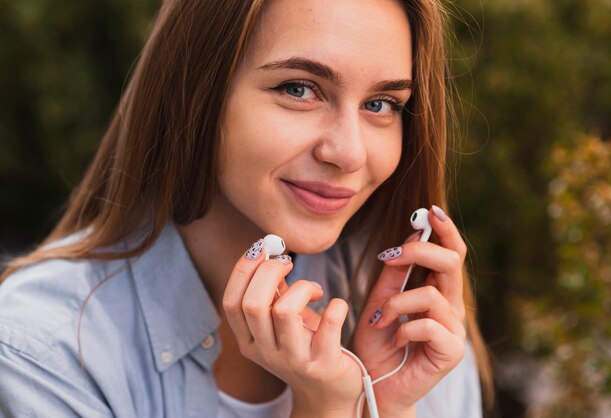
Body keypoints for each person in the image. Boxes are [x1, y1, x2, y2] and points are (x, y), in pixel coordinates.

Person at [0, 0, 493, 417]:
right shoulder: (40, 350)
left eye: (381, 103)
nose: (350, 153)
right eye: (299, 89)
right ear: (195, 93)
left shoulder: (415, 329)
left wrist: (379, 405)